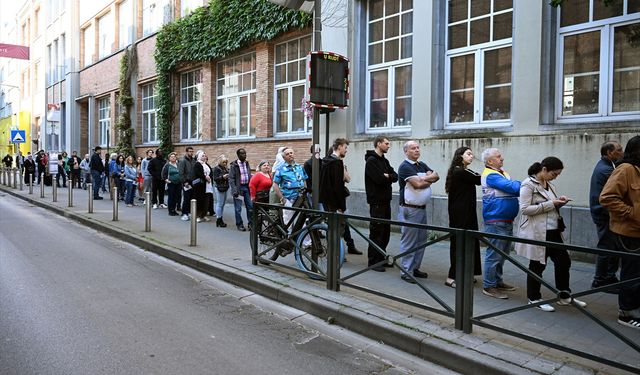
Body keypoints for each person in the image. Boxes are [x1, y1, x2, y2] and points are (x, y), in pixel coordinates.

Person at [515, 157, 587, 312]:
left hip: (554, 231)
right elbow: (525, 209)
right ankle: (534, 298)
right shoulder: (528, 184)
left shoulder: (549, 184)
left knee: (564, 262)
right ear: (544, 169)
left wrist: (559, 201)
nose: (556, 177)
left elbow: (549, 205)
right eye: (554, 173)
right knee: (537, 265)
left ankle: (564, 295)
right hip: (537, 232)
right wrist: (551, 204)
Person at [600, 135, 640, 330]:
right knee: (632, 273)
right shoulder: (626, 170)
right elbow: (607, 198)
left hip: (636, 230)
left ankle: (634, 307)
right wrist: (631, 213)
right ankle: (626, 312)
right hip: (629, 232)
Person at [480, 148, 520, 299]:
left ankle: (497, 281)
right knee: (494, 254)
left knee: (502, 254)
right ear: (490, 161)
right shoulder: (491, 175)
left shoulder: (502, 173)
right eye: (498, 156)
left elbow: (512, 189)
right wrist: (527, 184)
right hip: (496, 220)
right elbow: (513, 188)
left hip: (505, 220)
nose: (502, 158)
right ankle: (489, 286)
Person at [397, 140, 439, 283]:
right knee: (409, 241)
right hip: (410, 209)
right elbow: (418, 184)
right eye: (413, 148)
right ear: (406, 151)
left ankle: (415, 268)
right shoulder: (404, 167)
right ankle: (405, 271)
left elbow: (437, 175)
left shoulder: (421, 165)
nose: (416, 150)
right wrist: (428, 179)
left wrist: (424, 178)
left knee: (421, 240)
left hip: (422, 208)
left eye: (417, 148)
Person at [444, 146, 481, 287]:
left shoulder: (464, 170)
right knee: (459, 245)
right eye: (469, 154)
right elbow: (479, 179)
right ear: (460, 156)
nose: (472, 156)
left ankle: (466, 273)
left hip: (467, 213)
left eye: (472, 154)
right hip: (460, 215)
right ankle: (451, 277)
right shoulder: (459, 172)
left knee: (469, 243)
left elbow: (477, 177)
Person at [590, 141, 624, 290]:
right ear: (610, 153)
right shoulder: (606, 170)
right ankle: (600, 280)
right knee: (606, 248)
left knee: (613, 248)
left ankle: (609, 277)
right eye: (619, 150)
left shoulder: (607, 166)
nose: (622, 152)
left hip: (604, 213)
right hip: (604, 214)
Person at [364, 136, 398, 272]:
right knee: (376, 231)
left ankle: (382, 258)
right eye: (386, 143)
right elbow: (378, 179)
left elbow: (395, 176)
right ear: (379, 144)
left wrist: (387, 176)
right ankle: (373, 262)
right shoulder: (371, 161)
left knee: (385, 232)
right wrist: (386, 177)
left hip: (386, 200)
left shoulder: (385, 160)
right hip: (376, 201)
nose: (389, 146)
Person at [272, 147, 308, 227]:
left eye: (291, 153)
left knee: (302, 221)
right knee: (288, 221)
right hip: (288, 198)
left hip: (300, 198)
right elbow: (275, 185)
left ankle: (304, 239)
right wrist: (282, 199)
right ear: (284, 157)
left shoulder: (299, 167)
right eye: (287, 154)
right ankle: (288, 238)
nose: (290, 155)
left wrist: (305, 192)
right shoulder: (280, 169)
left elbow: (304, 179)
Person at [229, 148, 253, 231]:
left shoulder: (247, 163)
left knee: (250, 207)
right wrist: (234, 190)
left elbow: (249, 174)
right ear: (238, 155)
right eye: (242, 154)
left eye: (245, 153)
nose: (244, 155)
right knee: (238, 208)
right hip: (239, 189)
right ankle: (239, 224)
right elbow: (231, 179)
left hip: (247, 187)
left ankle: (250, 223)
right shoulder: (233, 165)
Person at [192, 150, 211, 222]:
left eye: (204, 155)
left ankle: (204, 214)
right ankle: (198, 216)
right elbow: (198, 173)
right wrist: (205, 177)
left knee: (206, 201)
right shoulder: (197, 164)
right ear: (199, 157)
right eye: (202, 156)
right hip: (200, 186)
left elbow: (210, 173)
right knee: (199, 200)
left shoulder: (206, 164)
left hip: (207, 185)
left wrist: (209, 178)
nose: (204, 157)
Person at [178, 146, 196, 221]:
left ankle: (189, 212)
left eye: (192, 151)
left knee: (192, 198)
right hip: (186, 182)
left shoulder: (193, 160)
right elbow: (181, 172)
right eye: (190, 151)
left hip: (193, 181)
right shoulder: (183, 160)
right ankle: (184, 213)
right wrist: (184, 182)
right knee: (186, 198)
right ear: (187, 152)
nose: (191, 153)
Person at [213, 155, 230, 227]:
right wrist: (223, 177)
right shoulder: (216, 168)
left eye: (226, 162)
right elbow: (215, 178)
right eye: (223, 162)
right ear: (220, 161)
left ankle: (220, 218)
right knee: (219, 204)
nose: (225, 163)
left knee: (222, 204)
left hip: (225, 187)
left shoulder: (226, 168)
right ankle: (219, 219)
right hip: (219, 187)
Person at [162, 152, 181, 216]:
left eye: (174, 157)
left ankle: (174, 210)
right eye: (171, 157)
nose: (173, 158)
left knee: (176, 197)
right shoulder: (167, 165)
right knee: (171, 197)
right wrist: (166, 180)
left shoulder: (178, 164)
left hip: (178, 183)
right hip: (171, 183)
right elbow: (163, 174)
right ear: (169, 158)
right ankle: (170, 210)